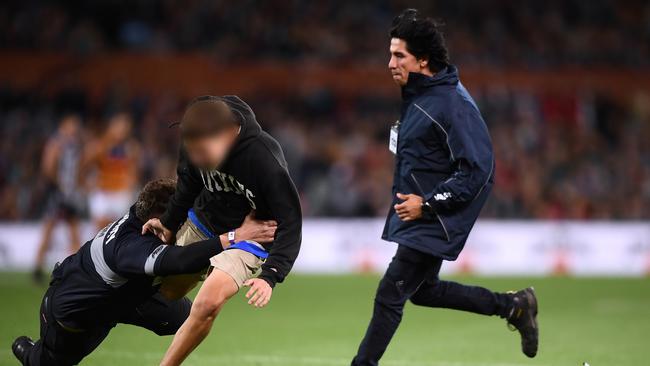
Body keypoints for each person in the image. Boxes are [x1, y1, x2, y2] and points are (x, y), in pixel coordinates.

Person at [351, 9, 539, 366]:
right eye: (390, 54)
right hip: (422, 213)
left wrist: (429, 205)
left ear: (422, 60)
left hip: (434, 216)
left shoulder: (450, 103)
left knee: (390, 293)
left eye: (398, 55)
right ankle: (514, 307)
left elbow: (478, 170)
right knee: (423, 291)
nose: (389, 63)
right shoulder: (422, 95)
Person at [11, 179, 277, 366]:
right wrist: (234, 237)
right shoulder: (130, 248)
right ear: (158, 219)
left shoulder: (144, 213)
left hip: (124, 295)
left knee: (185, 317)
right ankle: (28, 351)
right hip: (76, 314)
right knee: (49, 362)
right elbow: (177, 260)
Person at [141, 95, 302, 366]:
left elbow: (291, 222)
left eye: (203, 152)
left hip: (252, 233)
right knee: (156, 293)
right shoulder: (195, 135)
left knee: (208, 303)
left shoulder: (264, 160)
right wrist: (168, 225)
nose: (196, 157)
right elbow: (188, 184)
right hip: (205, 221)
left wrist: (270, 275)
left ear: (228, 134)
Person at [33, 114, 85, 283]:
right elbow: (48, 166)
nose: (75, 129)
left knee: (74, 229)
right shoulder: (56, 143)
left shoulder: (74, 145)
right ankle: (37, 268)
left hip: (69, 193)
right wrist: (59, 185)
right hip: (57, 193)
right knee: (49, 229)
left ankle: (77, 268)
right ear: (63, 125)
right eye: (72, 125)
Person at [84, 112, 141, 229]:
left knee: (120, 231)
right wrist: (87, 184)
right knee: (101, 231)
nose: (123, 130)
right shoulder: (99, 146)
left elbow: (134, 172)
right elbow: (84, 167)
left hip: (121, 194)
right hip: (103, 193)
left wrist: (130, 187)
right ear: (111, 126)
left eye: (126, 127)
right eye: (119, 126)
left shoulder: (131, 147)